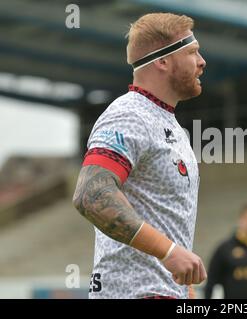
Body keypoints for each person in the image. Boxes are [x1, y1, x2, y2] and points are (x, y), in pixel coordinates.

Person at [72, 12, 207, 299]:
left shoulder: (168, 122)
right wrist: (169, 252)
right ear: (162, 61)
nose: (202, 61)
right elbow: (90, 195)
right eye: (193, 52)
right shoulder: (129, 115)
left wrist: (185, 287)